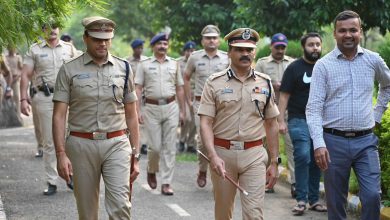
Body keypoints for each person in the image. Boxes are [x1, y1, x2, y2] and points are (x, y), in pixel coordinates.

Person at [52, 16, 140, 219]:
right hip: (81, 144)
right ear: (85, 38)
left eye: (106, 39)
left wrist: (135, 154)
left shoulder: (124, 68)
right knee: (87, 212)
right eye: (97, 38)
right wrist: (60, 154)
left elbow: (132, 115)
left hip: (116, 143)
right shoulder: (69, 69)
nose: (102, 43)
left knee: (121, 206)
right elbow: (59, 115)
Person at [306, 10, 390, 220]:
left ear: (360, 31)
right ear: (334, 34)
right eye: (342, 31)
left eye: (353, 30)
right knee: (336, 203)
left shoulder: (373, 60)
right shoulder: (323, 65)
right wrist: (319, 143)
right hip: (333, 142)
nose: (348, 35)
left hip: (365, 142)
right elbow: (314, 108)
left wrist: (377, 115)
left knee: (372, 196)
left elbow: (387, 85)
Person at [198, 28, 280, 220]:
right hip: (222, 154)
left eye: (249, 50)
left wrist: (275, 162)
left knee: (254, 214)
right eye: (239, 49)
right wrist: (212, 156)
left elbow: (272, 124)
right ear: (230, 52)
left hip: (254, 156)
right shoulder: (214, 83)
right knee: (223, 212)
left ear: (255, 52)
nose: (245, 54)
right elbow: (205, 123)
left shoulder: (265, 83)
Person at [20, 22, 76, 195]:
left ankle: (71, 176)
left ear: (59, 29)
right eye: (46, 27)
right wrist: (23, 98)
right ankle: (52, 181)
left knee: (71, 139)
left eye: (54, 26)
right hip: (45, 98)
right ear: (41, 30)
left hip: (68, 98)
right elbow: (25, 74)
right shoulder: (34, 49)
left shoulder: (69, 49)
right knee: (49, 141)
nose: (51, 30)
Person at [278, 32, 327, 215]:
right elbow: (284, 95)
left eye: (317, 44)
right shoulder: (294, 68)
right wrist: (280, 120)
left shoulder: (326, 66)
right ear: (303, 47)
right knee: (303, 155)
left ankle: (314, 200)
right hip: (298, 119)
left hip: (321, 122)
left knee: (317, 160)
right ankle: (301, 199)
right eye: (311, 44)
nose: (315, 48)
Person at [135, 33, 185, 195]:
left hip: (171, 106)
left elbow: (179, 88)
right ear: (153, 46)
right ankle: (151, 169)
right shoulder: (144, 65)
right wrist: (138, 111)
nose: (162, 46)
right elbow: (138, 89)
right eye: (159, 44)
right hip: (151, 108)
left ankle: (166, 183)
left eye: (165, 43)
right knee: (155, 147)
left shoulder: (175, 64)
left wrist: (183, 111)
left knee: (170, 147)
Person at [183, 24, 229, 187]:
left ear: (219, 40)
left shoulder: (226, 58)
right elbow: (186, 77)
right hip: (200, 104)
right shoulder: (195, 57)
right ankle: (202, 170)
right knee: (203, 140)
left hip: (221, 105)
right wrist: (189, 100)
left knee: (221, 139)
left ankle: (220, 172)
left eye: (214, 38)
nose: (211, 40)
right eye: (208, 38)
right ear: (202, 40)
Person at [255, 33, 296, 195]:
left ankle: (295, 183)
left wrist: (286, 87)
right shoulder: (262, 63)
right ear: (271, 46)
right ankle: (267, 180)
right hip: (267, 112)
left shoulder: (292, 63)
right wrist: (272, 85)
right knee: (266, 148)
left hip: (286, 112)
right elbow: (256, 84)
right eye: (277, 47)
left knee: (291, 147)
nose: (280, 50)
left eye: (282, 47)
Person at [128, 38, 148, 155]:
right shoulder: (128, 61)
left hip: (144, 94)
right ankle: (136, 143)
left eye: (141, 48)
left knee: (143, 119)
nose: (140, 50)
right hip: (131, 93)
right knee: (133, 117)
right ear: (134, 49)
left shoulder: (146, 61)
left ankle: (144, 144)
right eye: (138, 48)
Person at [177, 41, 197, 152]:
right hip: (183, 94)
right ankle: (181, 140)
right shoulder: (178, 62)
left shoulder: (198, 61)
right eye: (188, 50)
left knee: (195, 120)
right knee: (186, 118)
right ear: (185, 51)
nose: (190, 52)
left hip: (195, 93)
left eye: (192, 50)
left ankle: (190, 144)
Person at [5, 46, 23, 120]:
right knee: (7, 98)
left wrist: (18, 76)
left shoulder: (18, 57)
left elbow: (21, 69)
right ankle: (7, 117)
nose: (11, 49)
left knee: (17, 96)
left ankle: (18, 115)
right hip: (6, 79)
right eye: (10, 47)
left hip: (15, 79)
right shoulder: (5, 58)